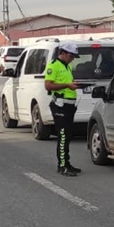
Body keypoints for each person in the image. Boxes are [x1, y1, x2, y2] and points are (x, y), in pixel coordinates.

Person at [44, 43, 82, 177]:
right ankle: (62, 166)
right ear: (63, 53)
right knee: (63, 136)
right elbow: (48, 85)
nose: (72, 59)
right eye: (71, 56)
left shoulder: (68, 66)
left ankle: (67, 163)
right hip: (60, 105)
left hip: (69, 105)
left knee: (68, 135)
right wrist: (67, 85)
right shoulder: (53, 65)